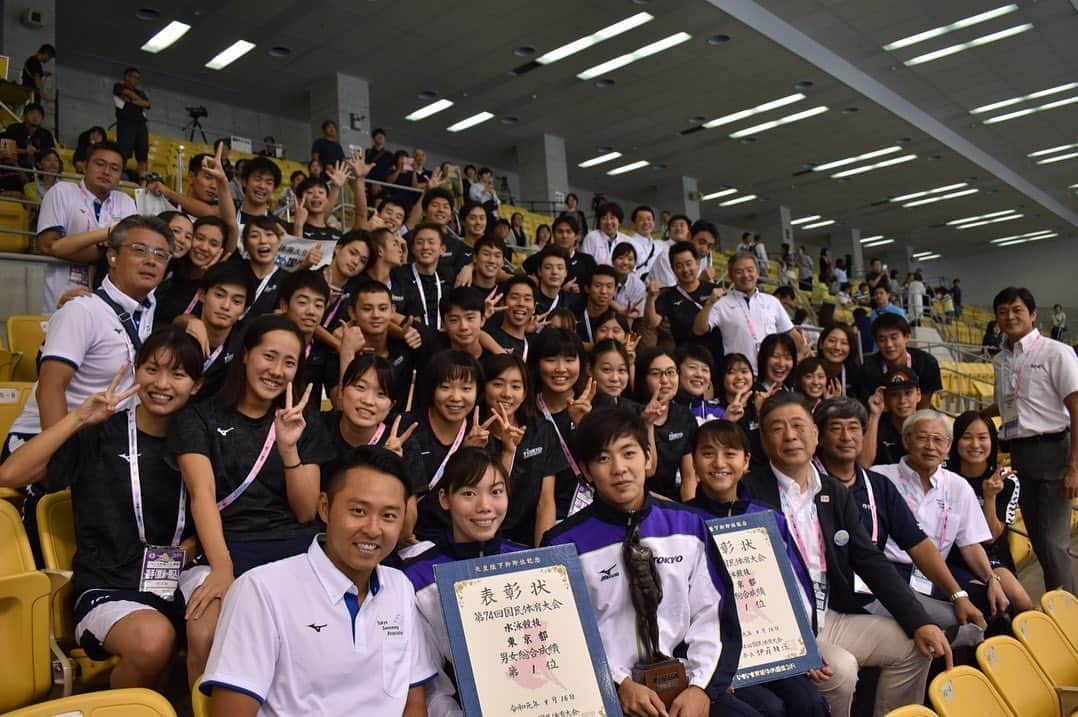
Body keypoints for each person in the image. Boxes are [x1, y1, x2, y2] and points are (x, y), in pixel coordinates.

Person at [0, 328, 203, 690]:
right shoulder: (100, 433)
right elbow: (11, 473)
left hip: (176, 576)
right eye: (152, 369)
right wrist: (77, 417)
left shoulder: (198, 438)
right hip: (109, 584)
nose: (162, 383)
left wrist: (193, 544)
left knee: (225, 614)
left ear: (196, 385)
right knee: (152, 642)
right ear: (136, 371)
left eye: (178, 374)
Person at [742, 392, 951, 717]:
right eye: (777, 428)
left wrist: (920, 621)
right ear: (764, 440)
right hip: (782, 629)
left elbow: (868, 559)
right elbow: (746, 583)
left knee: (915, 644)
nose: (791, 436)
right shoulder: (749, 492)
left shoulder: (832, 492)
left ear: (814, 434)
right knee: (841, 669)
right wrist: (793, 644)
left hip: (828, 616)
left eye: (798, 425)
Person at [542, 407, 757, 716]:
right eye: (603, 459)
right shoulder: (563, 544)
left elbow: (714, 613)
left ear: (648, 459)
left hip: (686, 683)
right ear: (587, 471)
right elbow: (563, 637)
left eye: (629, 453)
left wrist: (700, 689)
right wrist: (616, 685)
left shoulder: (689, 526)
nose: (619, 469)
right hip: (608, 694)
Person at [200, 446, 435, 715]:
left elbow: (412, 700)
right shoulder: (262, 590)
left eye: (389, 516)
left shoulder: (400, 588)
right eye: (358, 511)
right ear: (325, 508)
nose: (373, 529)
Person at [172, 314, 334, 681]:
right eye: (269, 356)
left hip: (291, 546)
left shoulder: (303, 421)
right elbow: (202, 495)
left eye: (289, 362)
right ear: (246, 355)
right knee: (205, 632)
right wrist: (223, 568)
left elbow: (307, 511)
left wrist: (289, 448)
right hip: (222, 546)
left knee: (314, 630)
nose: (277, 370)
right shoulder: (199, 418)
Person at [687, 420, 830, 716]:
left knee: (811, 702)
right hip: (713, 656)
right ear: (694, 463)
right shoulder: (680, 523)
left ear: (746, 462)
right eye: (708, 453)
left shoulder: (767, 518)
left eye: (730, 453)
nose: (719, 463)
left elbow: (795, 585)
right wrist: (706, 673)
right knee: (771, 708)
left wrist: (805, 649)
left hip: (768, 647)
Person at [814, 398, 993, 632]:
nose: (846, 437)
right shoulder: (810, 484)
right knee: (927, 630)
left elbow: (918, 544)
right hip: (825, 594)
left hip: (874, 586)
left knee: (960, 621)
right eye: (836, 429)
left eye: (854, 428)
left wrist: (958, 594)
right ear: (819, 436)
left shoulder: (878, 484)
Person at [404, 448, 527, 715]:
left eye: (496, 492)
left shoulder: (532, 565)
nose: (484, 506)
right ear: (445, 499)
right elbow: (430, 681)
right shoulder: (417, 577)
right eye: (469, 493)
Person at [870, 410, 1010, 622]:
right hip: (890, 572)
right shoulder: (879, 477)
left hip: (934, 575)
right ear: (907, 440)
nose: (930, 446)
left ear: (947, 446)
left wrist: (992, 579)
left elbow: (970, 545)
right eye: (923, 438)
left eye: (938, 440)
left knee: (993, 605)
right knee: (950, 616)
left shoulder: (958, 486)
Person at [991, 286, 1078, 593]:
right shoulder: (1001, 359)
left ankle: (1070, 613)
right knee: (1039, 541)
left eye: (1016, 310)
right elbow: (1004, 405)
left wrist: (1074, 467)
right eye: (1003, 312)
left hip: (1055, 451)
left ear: (1032, 314)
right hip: (1021, 454)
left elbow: (1076, 408)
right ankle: (1060, 601)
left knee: (1054, 543)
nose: (1010, 317)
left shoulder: (1056, 352)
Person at [947, 410, 1034, 612]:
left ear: (992, 442)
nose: (975, 445)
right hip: (949, 552)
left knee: (1023, 602)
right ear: (955, 441)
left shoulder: (1007, 480)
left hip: (989, 555)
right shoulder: (942, 473)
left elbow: (990, 537)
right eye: (967, 437)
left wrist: (989, 497)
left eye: (982, 438)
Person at [36, 141, 136, 311]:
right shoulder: (62, 191)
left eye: (114, 168)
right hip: (63, 291)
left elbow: (127, 252)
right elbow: (48, 245)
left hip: (107, 297)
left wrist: (73, 246)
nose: (106, 172)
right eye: (100, 164)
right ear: (84, 166)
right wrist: (103, 248)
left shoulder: (126, 202)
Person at [479, 354, 567, 545]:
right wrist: (507, 452)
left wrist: (542, 553)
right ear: (483, 388)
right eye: (498, 384)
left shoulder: (541, 430)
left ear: (526, 392)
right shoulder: (474, 435)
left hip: (527, 538)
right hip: (483, 538)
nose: (507, 394)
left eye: (516, 386)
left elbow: (545, 501)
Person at [694, 253, 807, 373]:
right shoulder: (721, 303)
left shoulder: (772, 302)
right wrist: (709, 304)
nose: (745, 275)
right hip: (739, 375)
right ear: (731, 276)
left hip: (770, 373)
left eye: (750, 270)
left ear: (758, 272)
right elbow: (699, 330)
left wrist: (798, 356)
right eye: (739, 272)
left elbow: (794, 336)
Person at [646, 240, 724, 362]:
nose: (685, 269)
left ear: (697, 263)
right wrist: (650, 297)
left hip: (715, 357)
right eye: (679, 266)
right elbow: (653, 322)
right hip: (685, 359)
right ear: (672, 269)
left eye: (689, 263)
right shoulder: (667, 296)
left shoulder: (713, 290)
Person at [635, 348, 697, 501]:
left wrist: (688, 511)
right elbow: (647, 472)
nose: (665, 380)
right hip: (640, 499)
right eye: (656, 374)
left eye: (671, 372)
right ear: (643, 378)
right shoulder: (630, 414)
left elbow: (689, 477)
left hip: (673, 500)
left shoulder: (684, 416)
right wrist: (647, 423)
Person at [860, 313, 942, 408]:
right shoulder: (868, 367)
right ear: (876, 342)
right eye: (882, 339)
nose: (889, 344)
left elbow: (923, 407)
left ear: (907, 337)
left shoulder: (926, 363)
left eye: (894, 338)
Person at [860, 369, 920, 467]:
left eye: (908, 393)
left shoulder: (929, 424)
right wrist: (875, 415)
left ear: (918, 394)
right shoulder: (876, 425)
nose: (902, 400)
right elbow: (864, 464)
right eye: (894, 395)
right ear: (886, 398)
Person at [112, 67, 150, 180]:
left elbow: (147, 104)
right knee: (124, 153)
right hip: (126, 123)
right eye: (134, 77)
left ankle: (141, 180)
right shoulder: (118, 86)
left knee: (142, 154)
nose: (136, 80)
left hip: (141, 125)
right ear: (126, 77)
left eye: (138, 78)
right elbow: (127, 93)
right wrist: (138, 102)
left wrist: (132, 100)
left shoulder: (140, 92)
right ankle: (120, 177)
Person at [580, 201, 632, 266]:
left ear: (619, 222)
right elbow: (585, 263)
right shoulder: (591, 237)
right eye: (604, 218)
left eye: (612, 218)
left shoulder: (627, 241)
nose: (609, 222)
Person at [6, 102, 55, 169]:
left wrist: (37, 152)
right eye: (32, 113)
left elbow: (51, 153)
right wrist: (24, 151)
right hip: (14, 168)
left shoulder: (46, 134)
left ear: (42, 119)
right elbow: (5, 149)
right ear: (24, 116)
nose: (35, 117)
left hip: (38, 170)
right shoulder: (14, 129)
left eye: (39, 115)